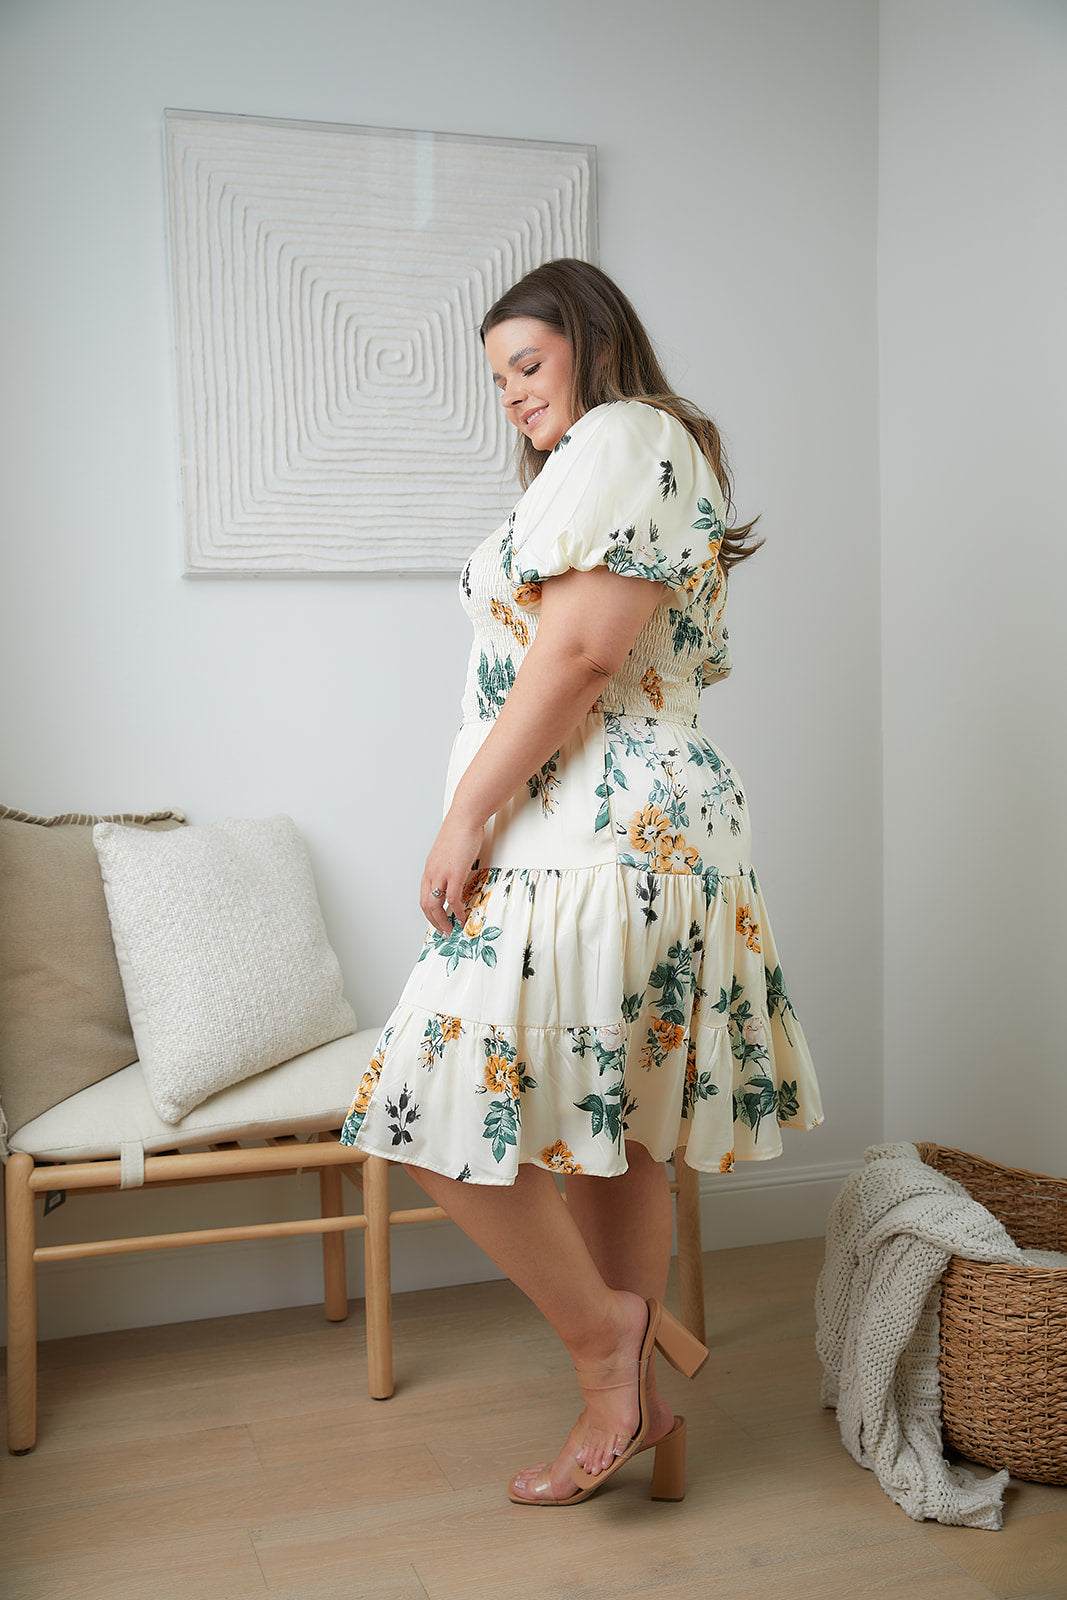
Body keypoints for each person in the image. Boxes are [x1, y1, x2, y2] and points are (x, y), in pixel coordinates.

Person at [341, 258, 823, 1506]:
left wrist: (463, 814)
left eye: (528, 363)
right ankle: (634, 1400)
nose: (510, 392)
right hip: (617, 833)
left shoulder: (626, 436)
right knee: (614, 1130)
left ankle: (607, 1344)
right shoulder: (613, 459)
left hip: (606, 836)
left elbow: (577, 655)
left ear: (592, 346)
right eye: (497, 376)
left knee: (426, 1094)